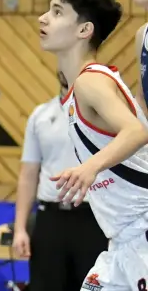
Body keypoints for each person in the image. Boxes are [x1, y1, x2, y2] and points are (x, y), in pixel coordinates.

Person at [38, 0, 148, 291]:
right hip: (123, 241)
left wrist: (89, 167)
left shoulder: (91, 81)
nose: (43, 18)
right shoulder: (81, 86)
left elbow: (137, 132)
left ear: (84, 30)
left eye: (57, 12)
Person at [12, 71, 107, 291]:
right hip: (50, 219)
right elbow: (28, 175)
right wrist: (19, 229)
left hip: (93, 217)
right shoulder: (40, 115)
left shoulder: (104, 113)